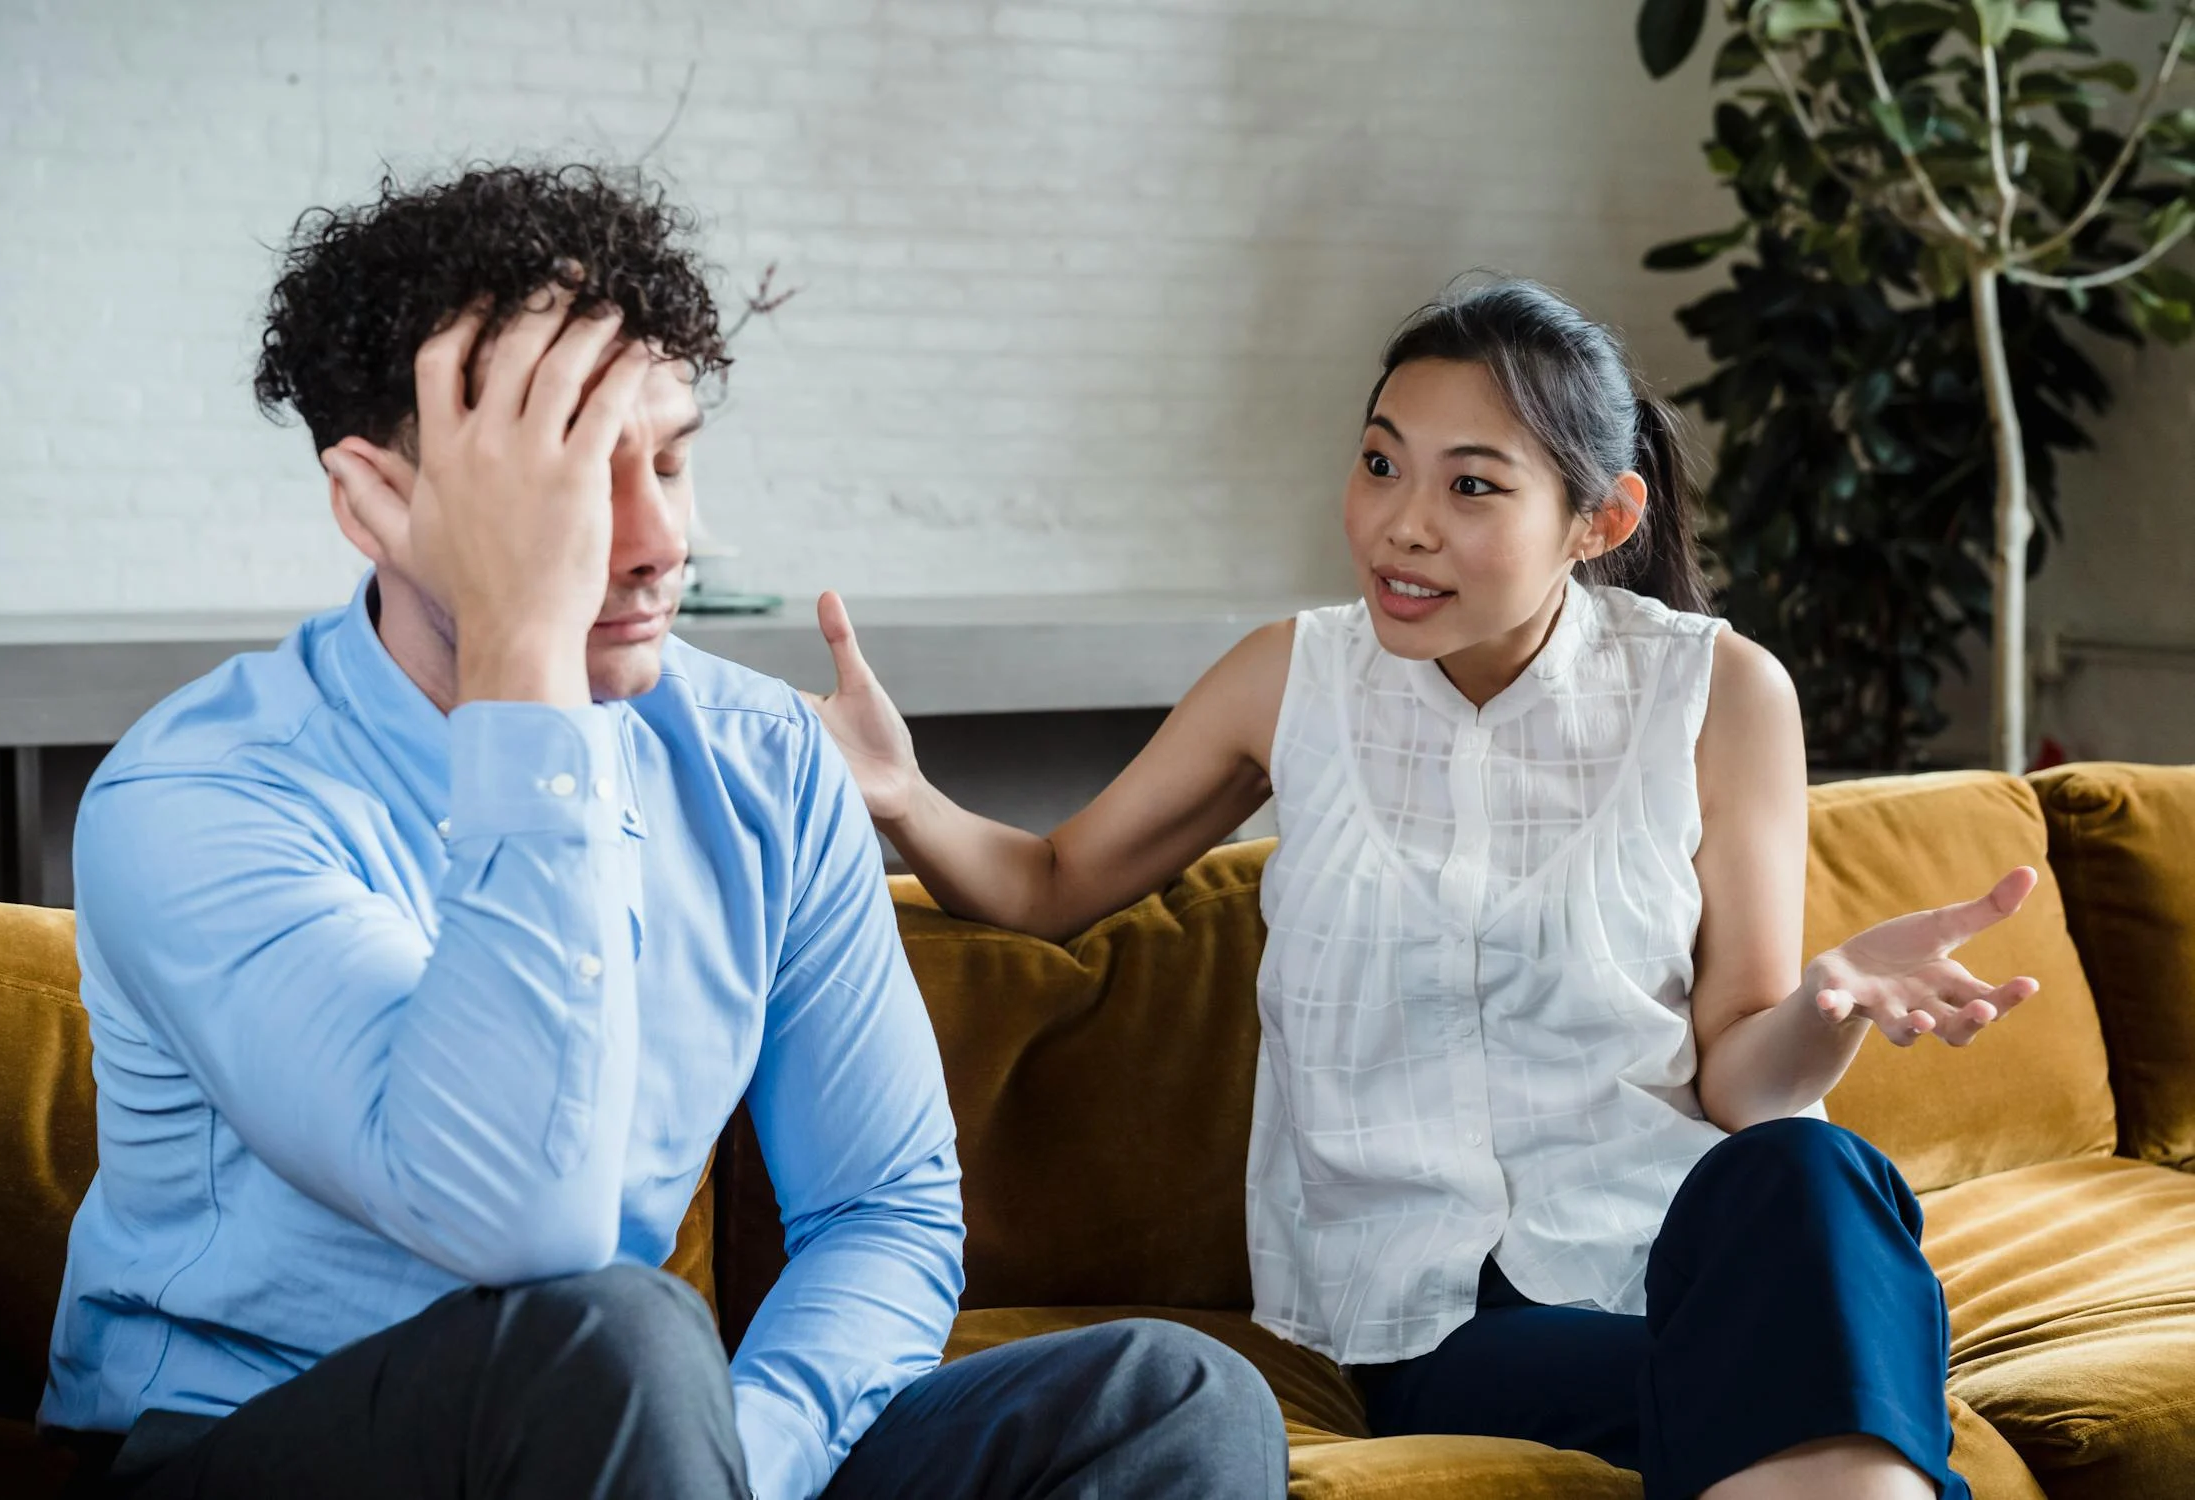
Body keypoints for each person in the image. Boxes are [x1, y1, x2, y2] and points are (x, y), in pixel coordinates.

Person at [41, 164, 1289, 1500]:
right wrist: (524, 658)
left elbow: (882, 1210)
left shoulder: (760, 766)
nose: (654, 541)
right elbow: (519, 1225)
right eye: (572, 479)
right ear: (372, 504)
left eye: (674, 460)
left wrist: (734, 1458)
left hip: (646, 1455)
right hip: (245, 1447)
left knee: (1171, 1402)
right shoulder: (199, 799)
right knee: (614, 1335)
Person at [802, 277, 2042, 1500]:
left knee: (1811, 1175)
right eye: (1382, 464)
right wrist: (904, 796)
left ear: (1601, 520)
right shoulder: (1292, 678)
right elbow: (1053, 881)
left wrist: (1824, 1002)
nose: (1402, 523)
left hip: (1676, 1255)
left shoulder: (1718, 692)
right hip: (1431, 1322)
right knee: (1828, 1411)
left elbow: (1737, 1078)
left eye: (1472, 487)